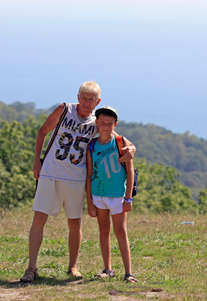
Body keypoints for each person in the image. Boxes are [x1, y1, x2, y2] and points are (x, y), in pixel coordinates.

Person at [20, 81, 136, 283]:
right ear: (77, 96)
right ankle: (31, 268)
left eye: (91, 99)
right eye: (84, 97)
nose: (87, 102)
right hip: (50, 173)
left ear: (98, 101)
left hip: (75, 178)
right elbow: (42, 132)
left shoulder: (96, 122)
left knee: (75, 222)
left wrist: (132, 149)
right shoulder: (64, 110)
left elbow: (117, 138)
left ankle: (73, 266)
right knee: (39, 219)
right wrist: (36, 162)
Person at [86, 106, 137, 283]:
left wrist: (128, 197)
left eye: (110, 123)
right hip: (98, 194)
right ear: (97, 123)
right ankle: (107, 269)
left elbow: (130, 172)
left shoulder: (121, 142)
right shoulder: (92, 145)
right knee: (103, 231)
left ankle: (128, 272)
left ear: (115, 124)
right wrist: (89, 200)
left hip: (117, 196)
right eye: (103, 123)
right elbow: (89, 173)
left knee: (121, 232)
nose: (106, 126)